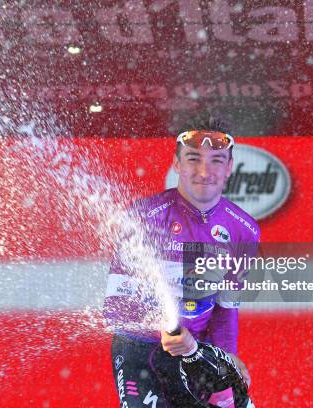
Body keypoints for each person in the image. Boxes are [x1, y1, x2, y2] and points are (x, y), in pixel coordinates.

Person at [104, 116, 261, 408]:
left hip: (198, 352)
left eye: (216, 160)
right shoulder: (145, 216)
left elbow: (226, 307)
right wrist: (167, 329)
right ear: (177, 164)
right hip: (140, 349)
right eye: (193, 158)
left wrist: (226, 355)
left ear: (229, 168)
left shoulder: (244, 230)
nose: (204, 171)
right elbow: (117, 308)